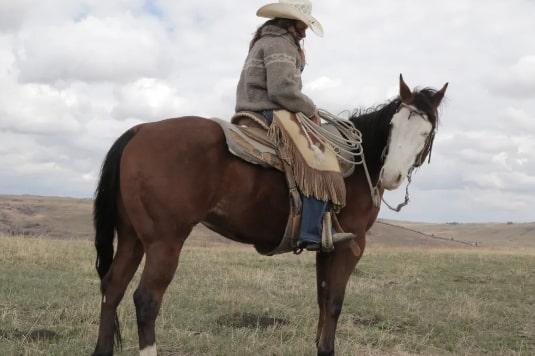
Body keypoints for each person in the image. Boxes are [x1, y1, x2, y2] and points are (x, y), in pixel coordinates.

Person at [235, 0, 345, 251]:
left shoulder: (265, 40)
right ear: (289, 22)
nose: (305, 31)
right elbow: (282, 90)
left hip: (251, 109)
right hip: (269, 110)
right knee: (320, 158)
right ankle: (311, 231)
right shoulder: (281, 44)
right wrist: (310, 108)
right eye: (302, 24)